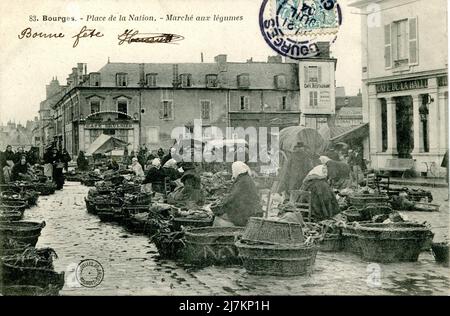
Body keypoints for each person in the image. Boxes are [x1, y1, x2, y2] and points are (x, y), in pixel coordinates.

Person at [212, 161, 262, 227]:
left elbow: (233, 197)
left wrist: (223, 202)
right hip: (250, 210)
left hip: (246, 213)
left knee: (217, 217)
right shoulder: (245, 178)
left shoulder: (242, 181)